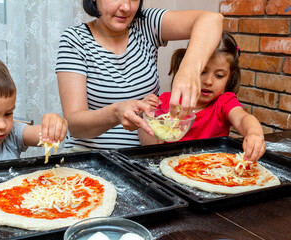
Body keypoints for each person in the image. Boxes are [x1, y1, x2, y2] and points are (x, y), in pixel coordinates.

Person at [56, 0, 223, 151]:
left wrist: (189, 69)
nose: (126, 7)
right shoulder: (75, 39)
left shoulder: (147, 24)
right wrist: (116, 113)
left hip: (143, 157)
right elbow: (75, 125)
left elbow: (213, 20)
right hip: (90, 156)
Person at [139, 31, 266, 162]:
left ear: (229, 77)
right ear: (187, 68)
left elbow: (242, 118)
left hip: (211, 170)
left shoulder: (224, 103)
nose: (209, 81)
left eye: (219, 76)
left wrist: (254, 134)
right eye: (202, 72)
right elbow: (151, 148)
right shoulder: (167, 103)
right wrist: (145, 117)